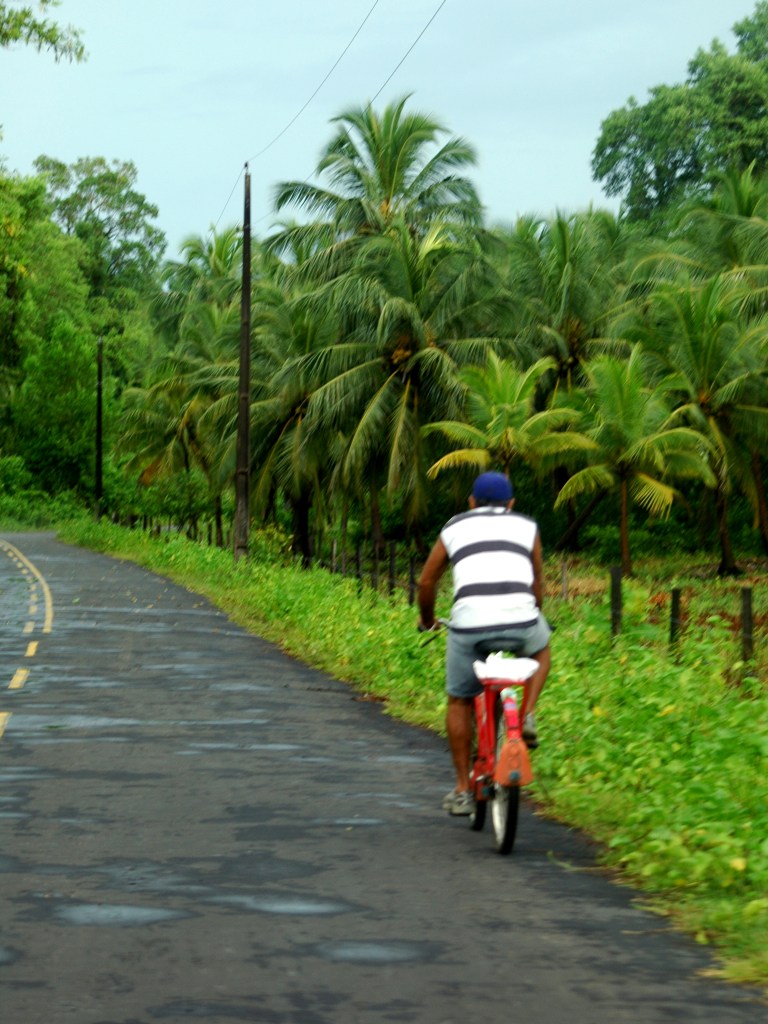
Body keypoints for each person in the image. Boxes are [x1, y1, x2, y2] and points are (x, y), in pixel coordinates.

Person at [417, 470, 551, 816]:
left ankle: (463, 790)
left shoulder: (455, 526)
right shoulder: (527, 526)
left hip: (470, 626)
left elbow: (427, 581)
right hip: (521, 622)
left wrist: (428, 620)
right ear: (511, 503)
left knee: (459, 700)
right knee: (542, 649)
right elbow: (537, 582)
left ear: (471, 502)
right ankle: (527, 714)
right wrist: (532, 614)